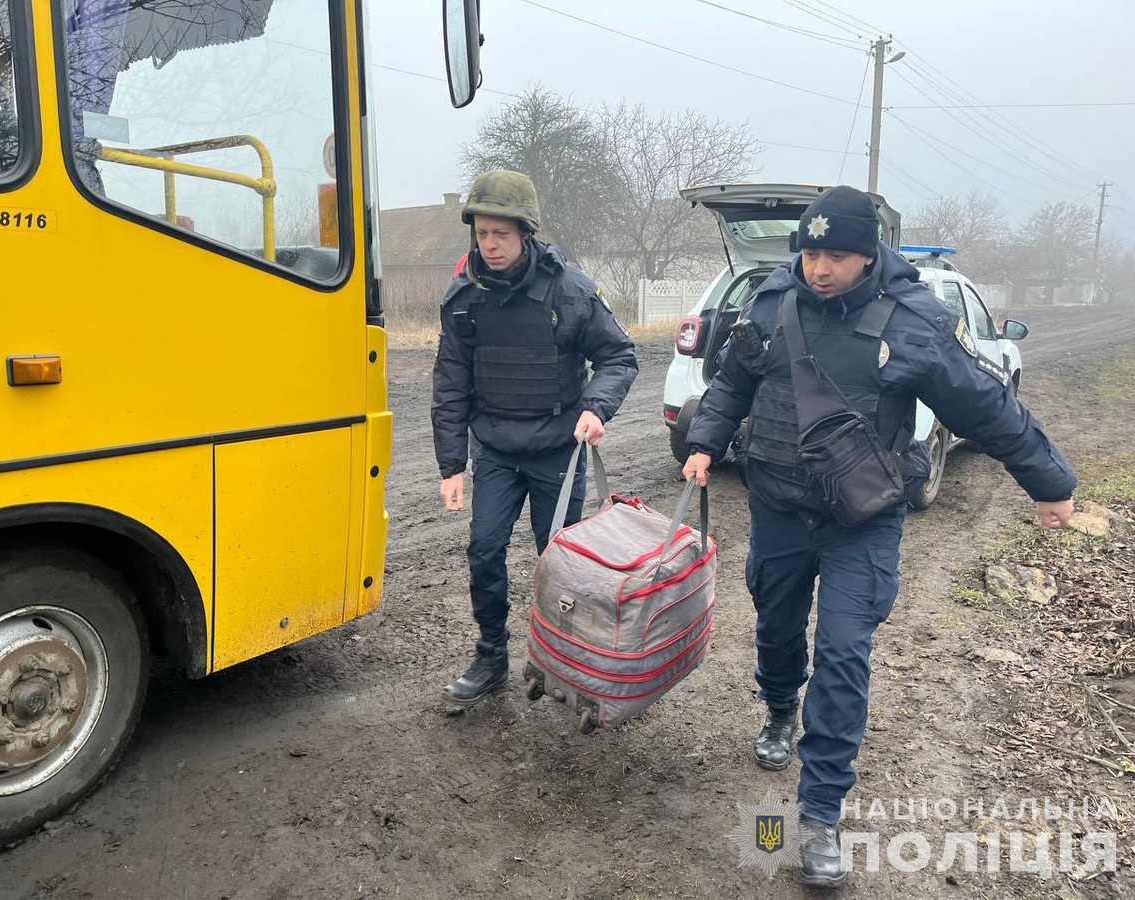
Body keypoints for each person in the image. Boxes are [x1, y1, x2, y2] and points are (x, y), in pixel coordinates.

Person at [683, 185, 1076, 888]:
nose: (820, 267)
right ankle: (778, 709)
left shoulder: (911, 321)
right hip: (777, 506)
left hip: (861, 522)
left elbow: (985, 404)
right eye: (811, 251)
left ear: (868, 256)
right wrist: (706, 441)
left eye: (837, 254)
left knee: (842, 655)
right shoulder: (772, 306)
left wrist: (1048, 481)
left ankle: (820, 813)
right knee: (775, 626)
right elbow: (731, 383)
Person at [433, 170, 638, 707]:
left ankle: (562, 660)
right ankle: (491, 655)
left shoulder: (568, 289)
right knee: (483, 549)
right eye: (481, 234)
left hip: (556, 450)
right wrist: (451, 465)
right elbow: (451, 380)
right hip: (496, 448)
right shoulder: (464, 298)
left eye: (500, 233)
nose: (490, 244)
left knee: (561, 564)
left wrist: (596, 407)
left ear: (525, 231)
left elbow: (618, 355)